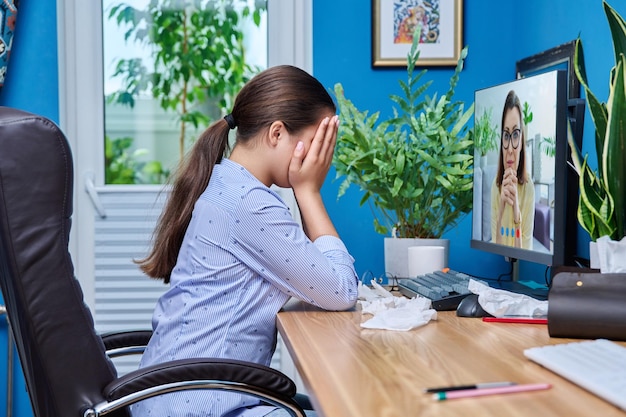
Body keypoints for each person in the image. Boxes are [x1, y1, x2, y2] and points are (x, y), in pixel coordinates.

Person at [130, 65, 359, 417]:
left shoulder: (227, 183)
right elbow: (342, 291)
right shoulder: (248, 204)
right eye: (316, 145)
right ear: (277, 133)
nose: (320, 160)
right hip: (197, 404)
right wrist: (309, 191)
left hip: (177, 396)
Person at [491, 89, 535, 249]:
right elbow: (495, 249)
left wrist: (516, 211)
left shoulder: (528, 187)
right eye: (506, 135)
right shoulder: (495, 187)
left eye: (515, 135)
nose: (510, 149)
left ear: (522, 140)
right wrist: (501, 210)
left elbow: (524, 254)